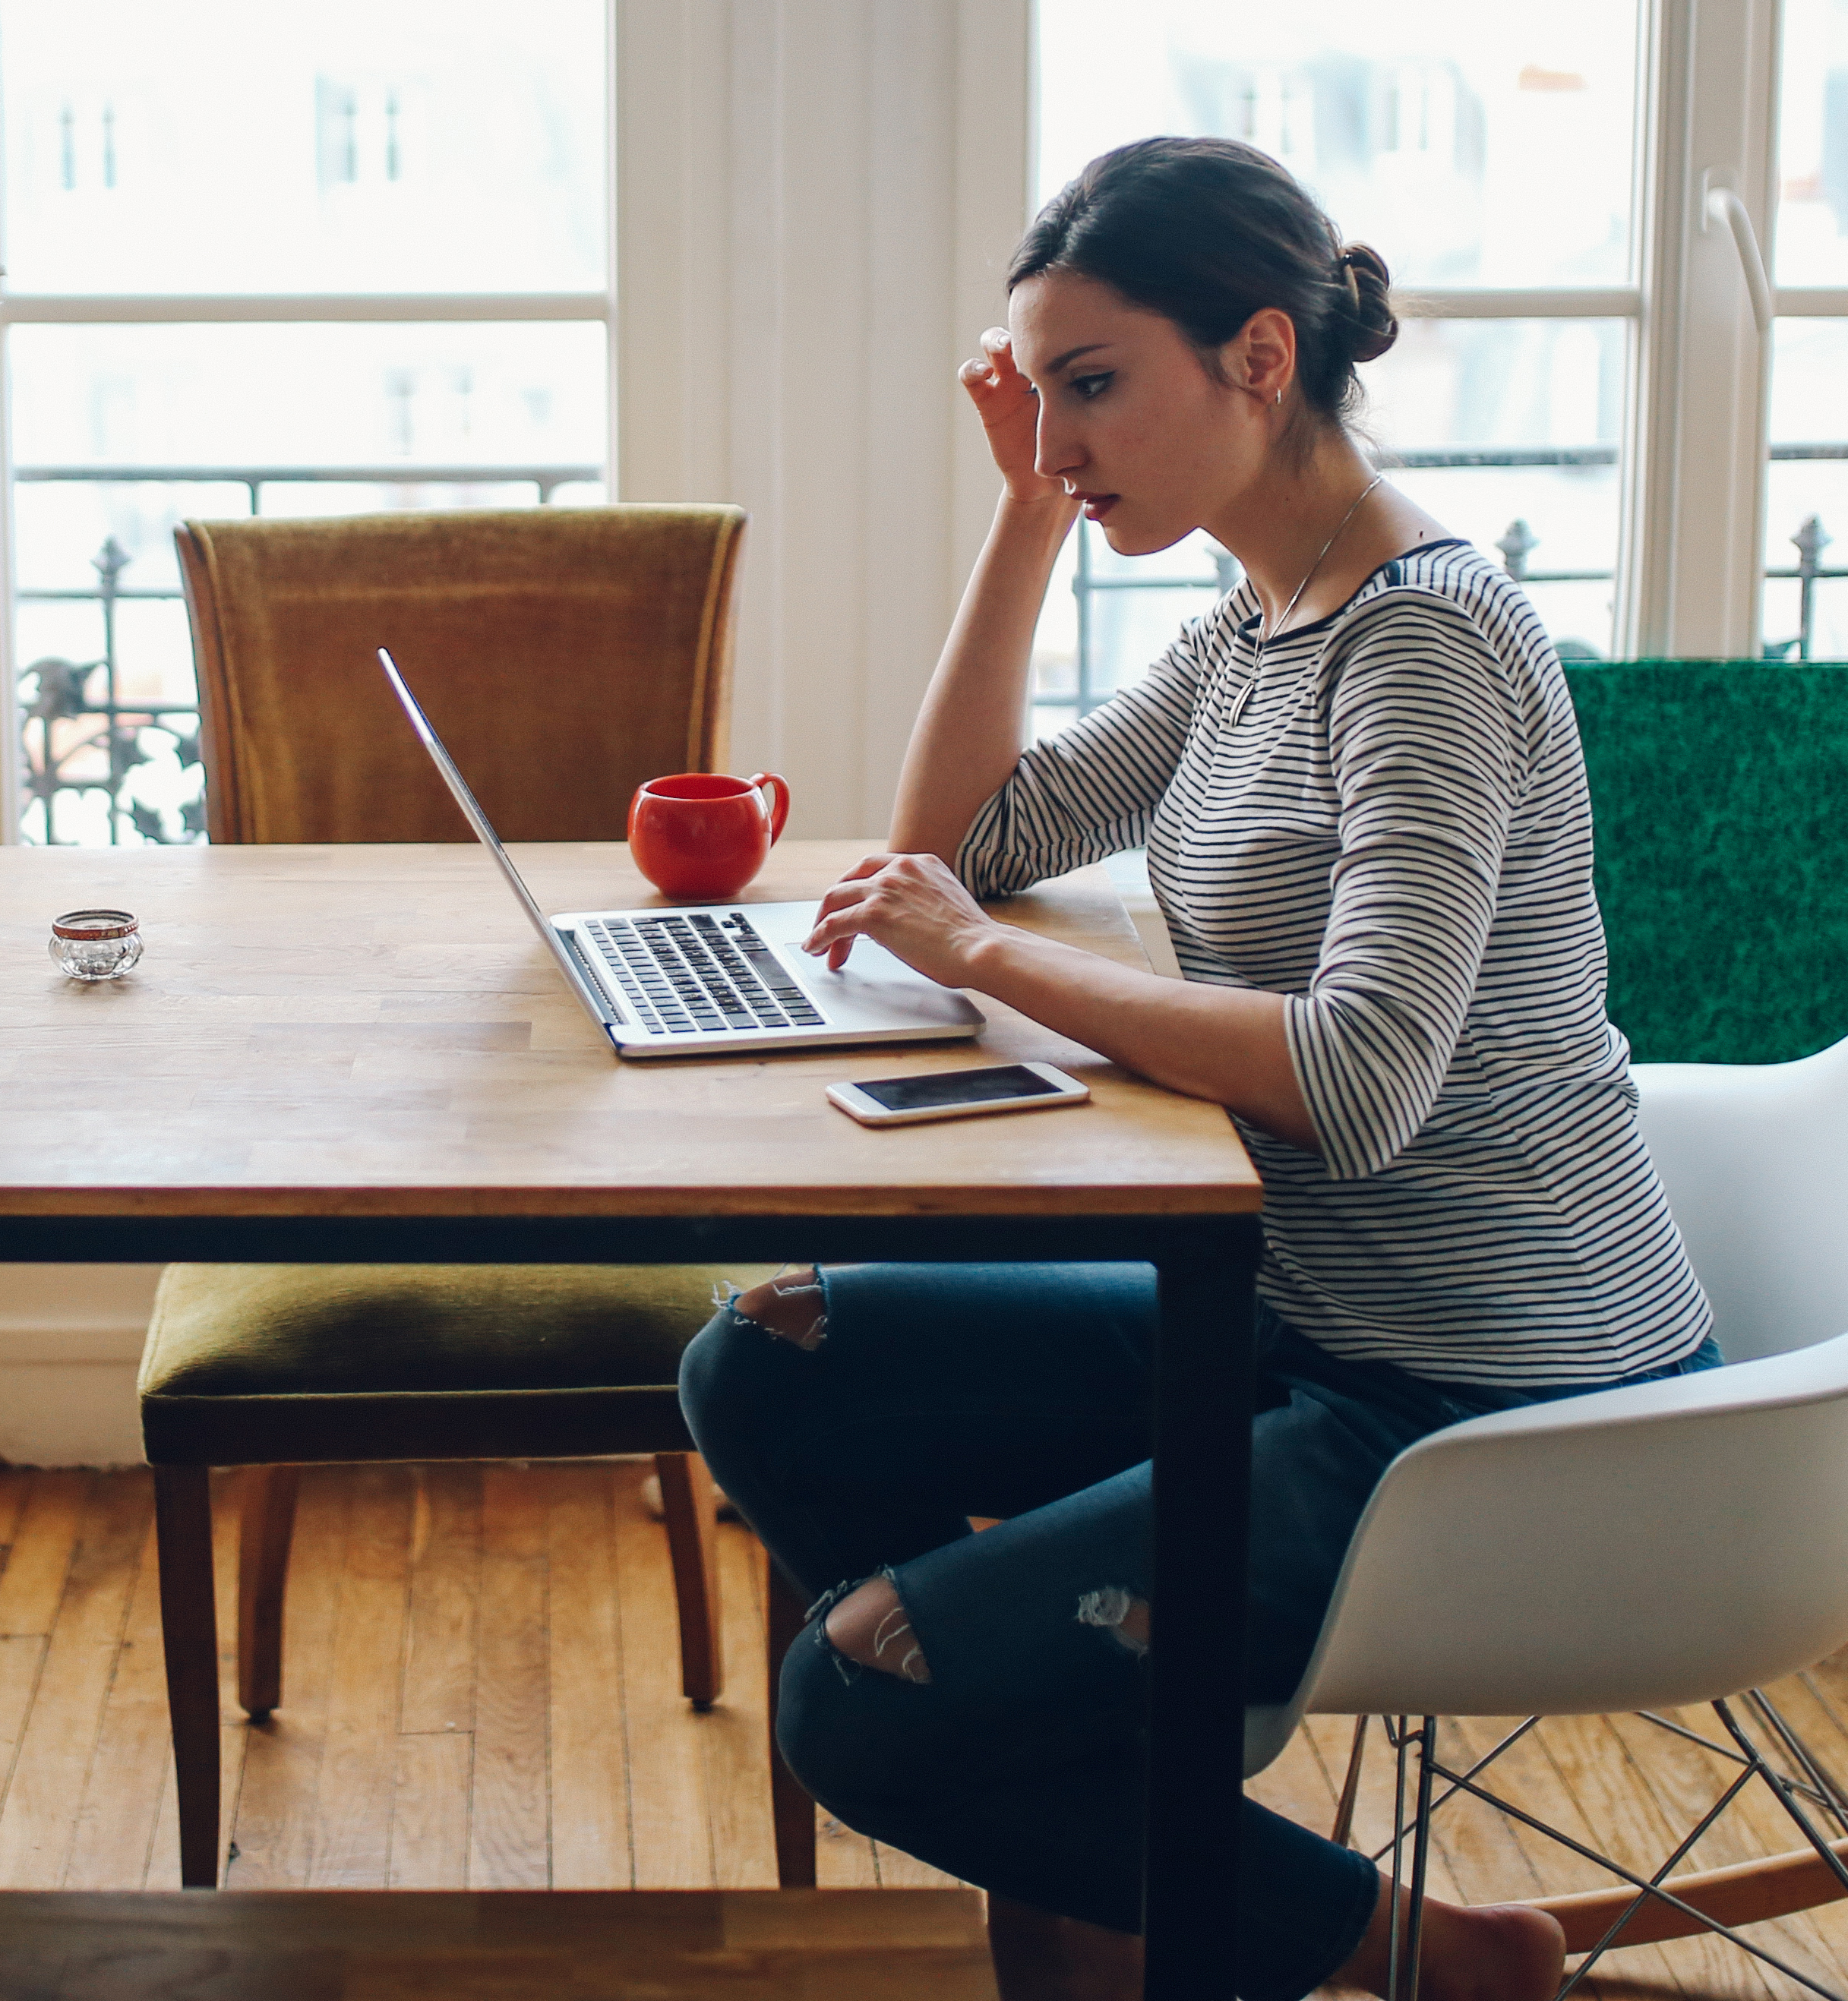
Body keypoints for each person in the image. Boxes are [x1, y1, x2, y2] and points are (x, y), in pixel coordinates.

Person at [677, 138, 1719, 2001]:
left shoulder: (1423, 644)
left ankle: (1426, 1955)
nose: (1063, 435)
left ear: (1257, 354)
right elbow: (965, 839)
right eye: (1043, 394)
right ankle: (1069, 1822)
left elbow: (1363, 1075)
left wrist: (986, 963)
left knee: (855, 1701)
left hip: (1472, 1396)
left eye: (1095, 388)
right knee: (771, 1354)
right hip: (1291, 1313)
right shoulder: (1259, 618)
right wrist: (1022, 517)